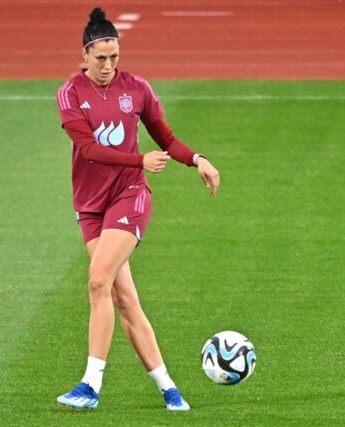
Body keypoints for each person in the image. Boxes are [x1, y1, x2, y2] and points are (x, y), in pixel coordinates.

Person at [54, 7, 220, 411]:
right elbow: (89, 150)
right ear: (85, 54)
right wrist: (138, 159)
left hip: (130, 197)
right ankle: (169, 389)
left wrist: (197, 158)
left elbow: (165, 136)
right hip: (91, 207)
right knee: (124, 298)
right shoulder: (69, 94)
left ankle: (90, 385)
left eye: (114, 57)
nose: (109, 65)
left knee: (97, 282)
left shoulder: (138, 89)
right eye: (100, 58)